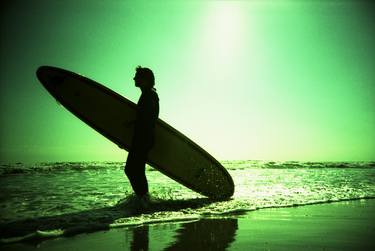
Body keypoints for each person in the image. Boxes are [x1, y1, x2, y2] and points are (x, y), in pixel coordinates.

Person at [124, 66, 159, 206]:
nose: (134, 78)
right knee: (135, 170)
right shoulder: (148, 94)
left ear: (144, 79)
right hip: (143, 137)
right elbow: (145, 117)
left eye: (137, 76)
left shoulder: (149, 95)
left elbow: (147, 119)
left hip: (143, 138)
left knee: (133, 170)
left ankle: (144, 200)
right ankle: (143, 200)